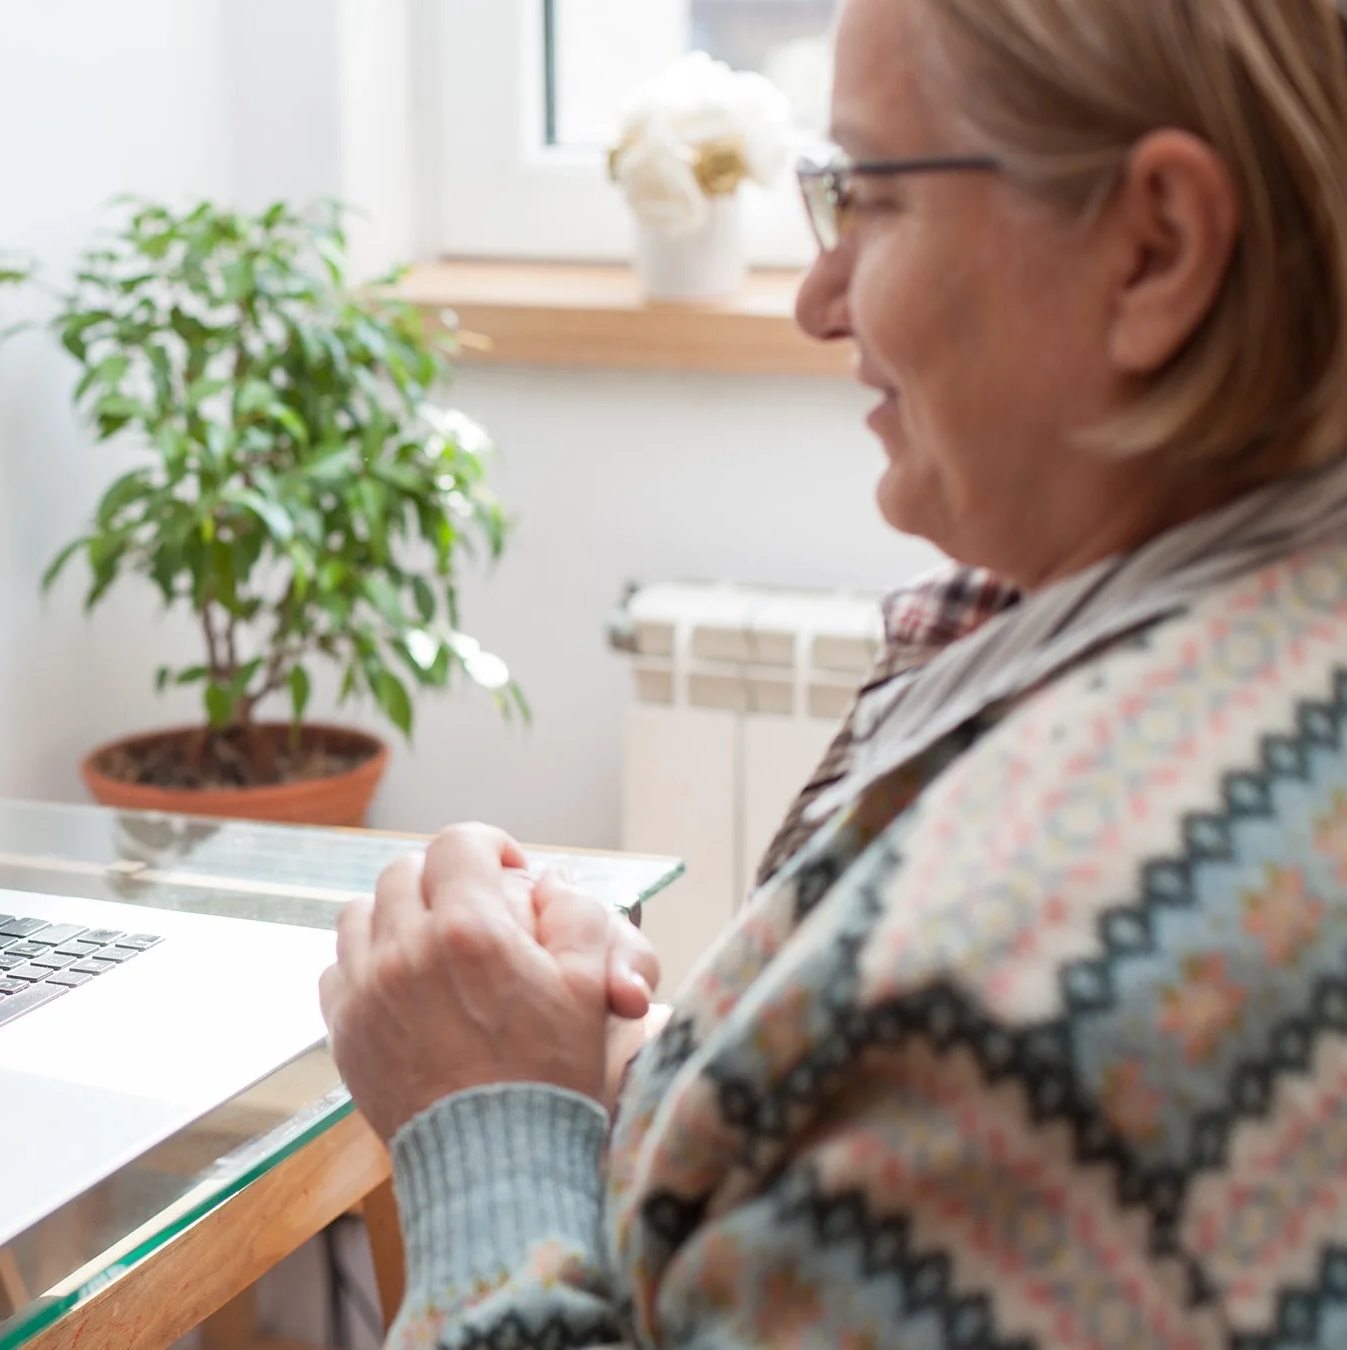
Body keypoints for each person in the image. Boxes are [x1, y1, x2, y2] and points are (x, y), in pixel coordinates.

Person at [321, 0, 1347, 1342]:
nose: (816, 297)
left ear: (1156, 246)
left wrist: (488, 1116)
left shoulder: (998, 997)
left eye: (870, 197)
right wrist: (645, 1066)